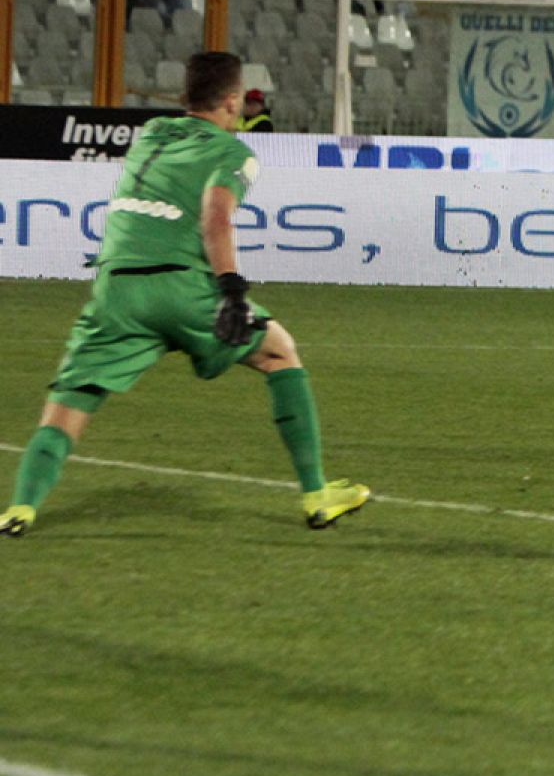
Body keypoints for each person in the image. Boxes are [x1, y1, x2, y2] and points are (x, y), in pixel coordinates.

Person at [2, 53, 368, 538]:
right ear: (233, 102)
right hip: (182, 288)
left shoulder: (151, 133)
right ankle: (317, 495)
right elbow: (215, 218)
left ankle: (20, 508)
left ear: (185, 97)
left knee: (72, 399)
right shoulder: (233, 152)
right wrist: (231, 290)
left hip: (116, 291)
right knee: (279, 352)